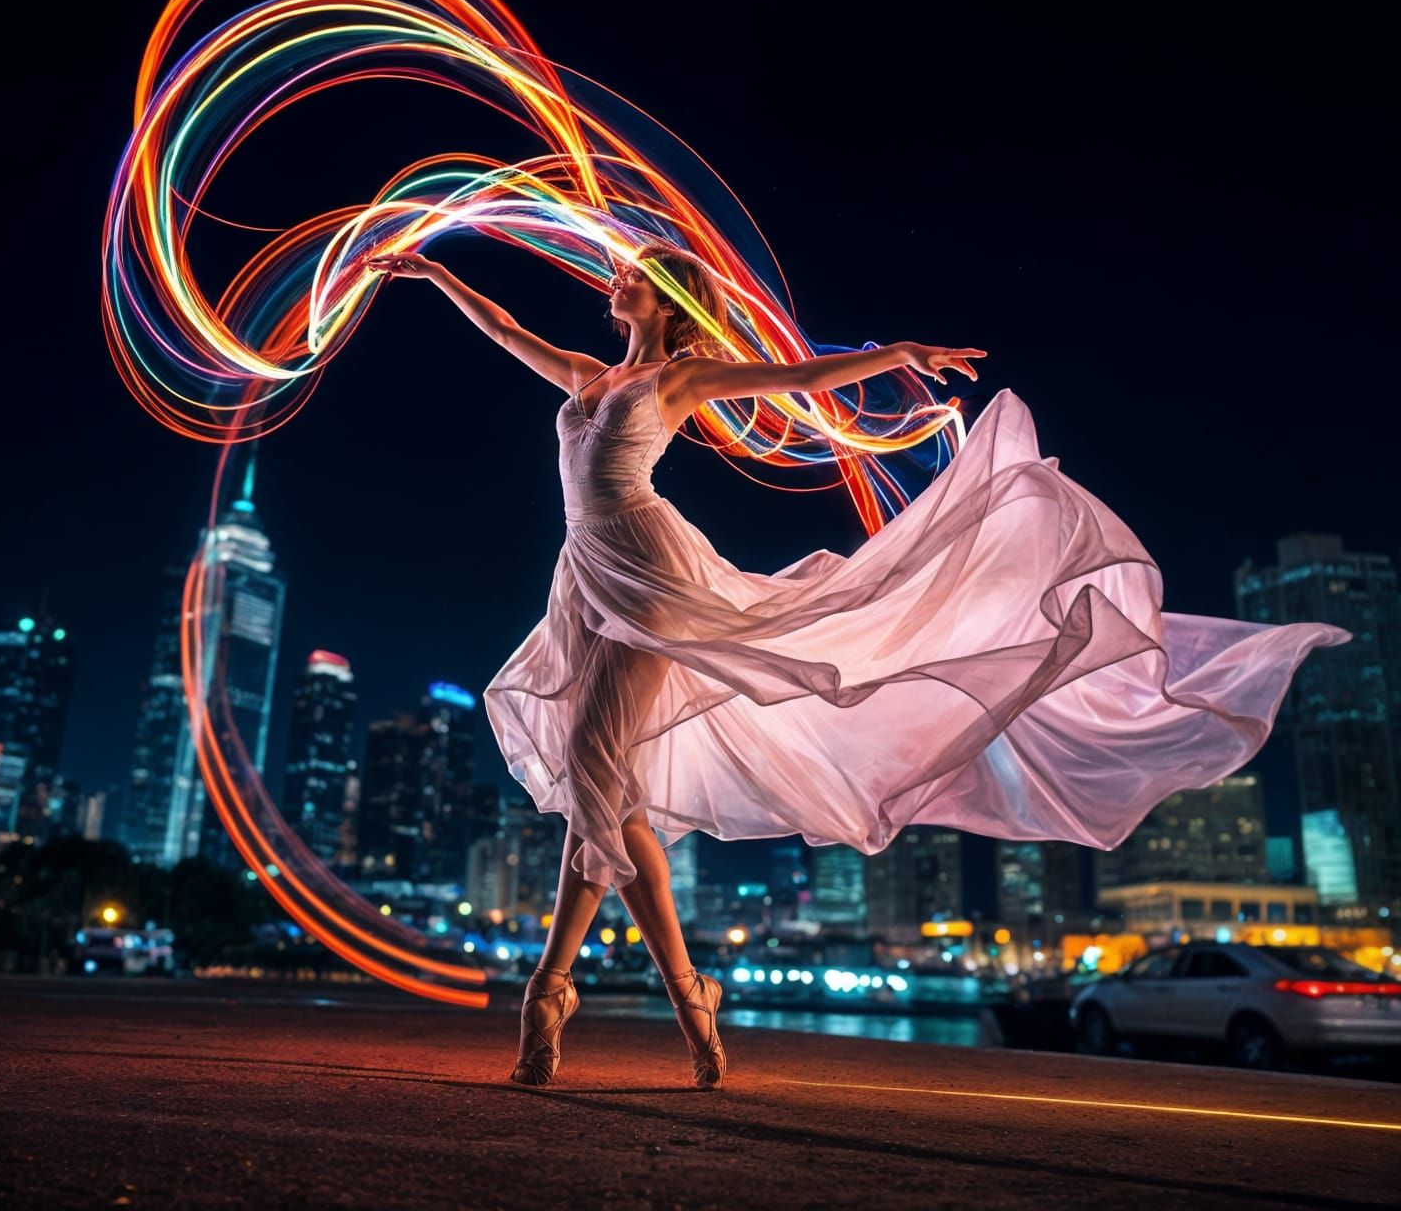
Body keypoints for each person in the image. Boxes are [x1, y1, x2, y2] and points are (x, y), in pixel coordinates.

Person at [362, 245, 1350, 1091]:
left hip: (650, 573)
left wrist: (901, 354)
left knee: (589, 761)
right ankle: (690, 1001)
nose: (612, 280)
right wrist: (432, 270)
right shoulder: (585, 376)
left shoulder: (679, 384)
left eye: (631, 278)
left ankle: (549, 992)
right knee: (609, 794)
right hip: (583, 577)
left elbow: (799, 382)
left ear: (664, 302)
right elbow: (499, 328)